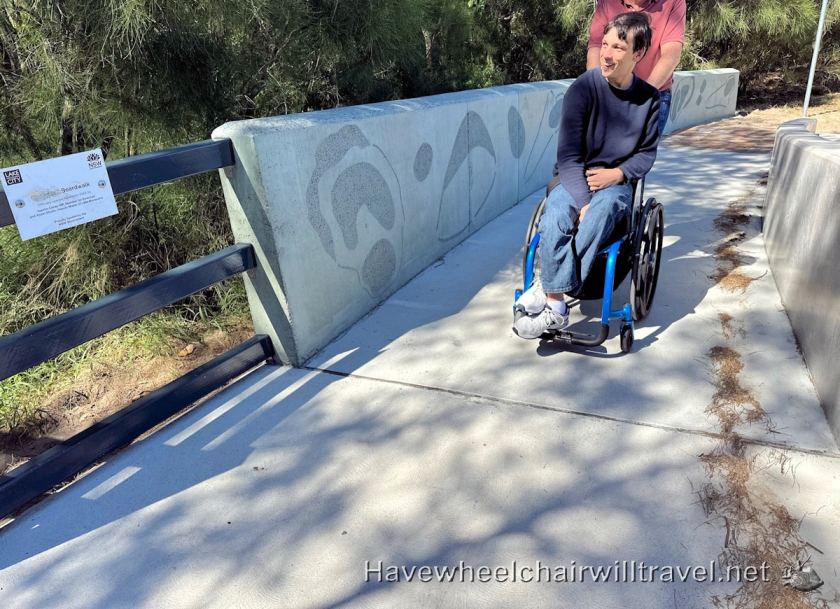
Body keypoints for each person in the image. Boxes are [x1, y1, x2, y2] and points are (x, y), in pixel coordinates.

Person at [513, 11, 660, 339]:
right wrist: (581, 201)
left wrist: (617, 174)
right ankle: (558, 305)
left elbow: (646, 155)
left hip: (615, 185)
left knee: (603, 210)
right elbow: (567, 157)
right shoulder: (582, 89)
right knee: (554, 215)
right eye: (604, 44)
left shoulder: (649, 100)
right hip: (573, 175)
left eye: (619, 48)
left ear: (638, 54)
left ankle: (547, 290)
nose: (606, 54)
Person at [587, 0, 685, 135]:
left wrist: (639, 96)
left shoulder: (673, 2)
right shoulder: (607, 2)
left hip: (651, 95)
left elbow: (671, 56)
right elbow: (596, 48)